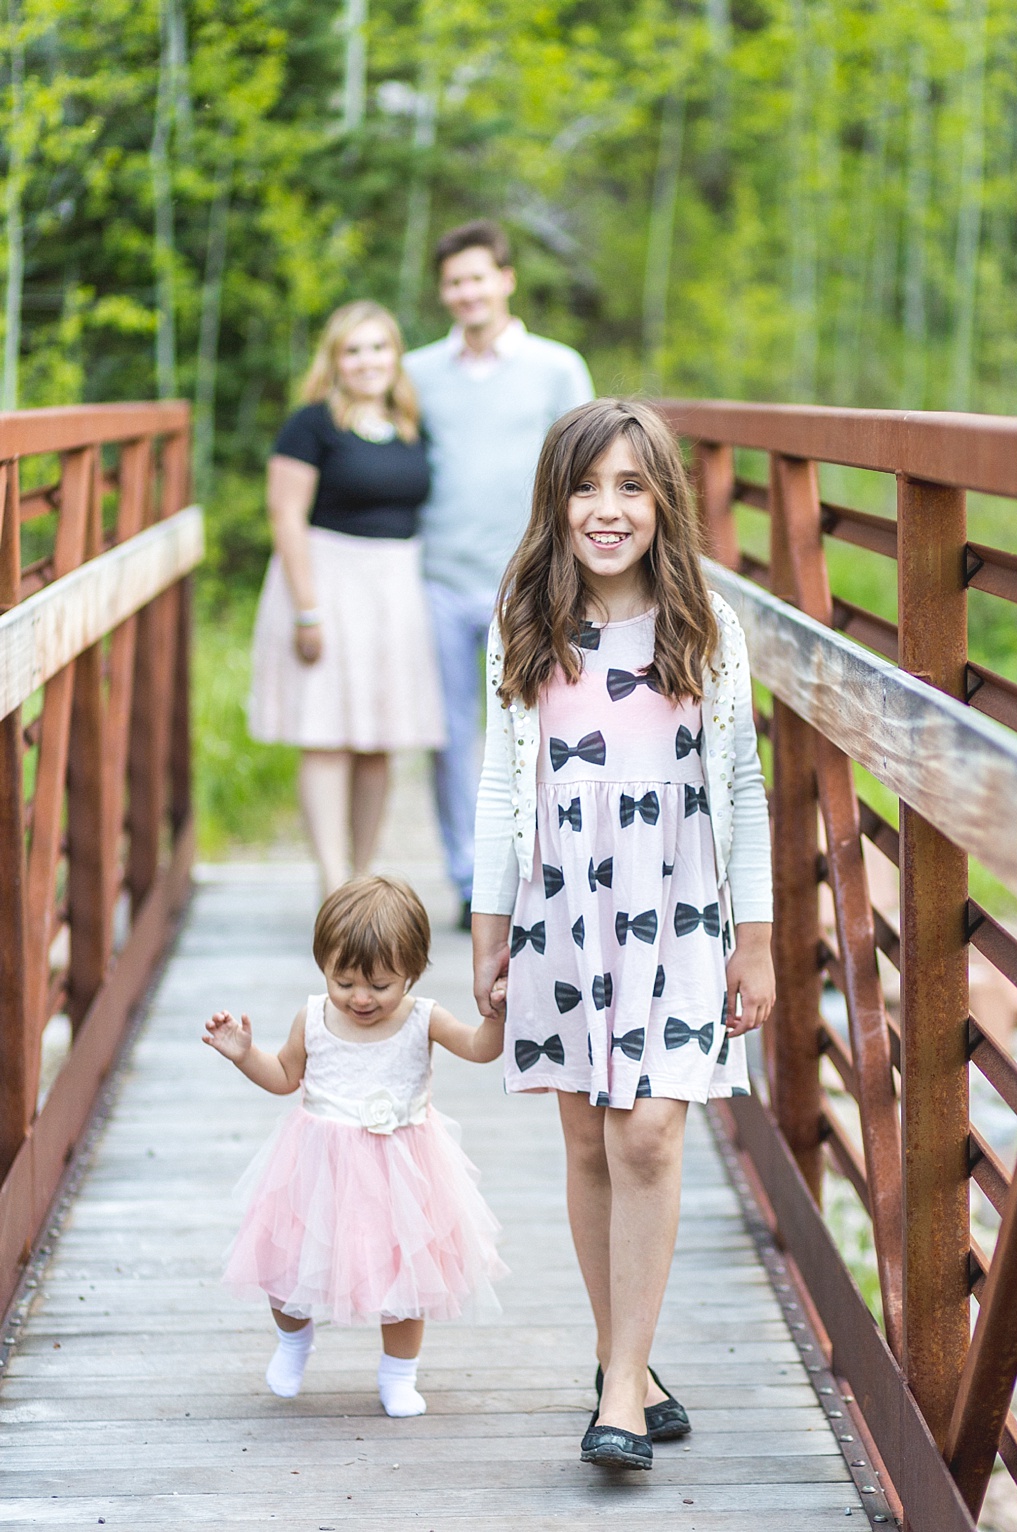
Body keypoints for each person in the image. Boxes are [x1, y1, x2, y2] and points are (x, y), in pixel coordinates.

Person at [468, 399, 774, 1469]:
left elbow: (740, 782)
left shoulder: (706, 626)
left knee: (649, 1130)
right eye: (586, 485)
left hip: (680, 897)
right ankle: (624, 1364)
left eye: (631, 486)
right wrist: (488, 918)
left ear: (662, 501)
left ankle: (624, 1403)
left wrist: (758, 935)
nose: (608, 509)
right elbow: (501, 777)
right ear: (556, 500)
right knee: (590, 1138)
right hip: (563, 903)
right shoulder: (527, 617)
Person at [205, 876, 507, 1417]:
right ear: (324, 968)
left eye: (380, 985)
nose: (360, 998)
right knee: (284, 1267)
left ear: (411, 974)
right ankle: (294, 1341)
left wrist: (498, 1016)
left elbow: (480, 1049)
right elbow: (282, 1077)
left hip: (405, 1171)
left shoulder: (424, 1017)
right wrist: (245, 1054)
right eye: (343, 982)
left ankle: (399, 1374)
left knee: (408, 1277)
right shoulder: (314, 1017)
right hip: (318, 1169)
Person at [409, 220, 595, 926]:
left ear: (506, 279)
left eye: (479, 277)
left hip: (530, 579)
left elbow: (588, 464)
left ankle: (541, 867)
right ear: (443, 292)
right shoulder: (419, 372)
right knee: (450, 735)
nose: (467, 292)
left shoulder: (556, 366)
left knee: (542, 723)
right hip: (438, 573)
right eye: (454, 281)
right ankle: (468, 880)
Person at [247, 301, 445, 896]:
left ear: (396, 357)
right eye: (354, 350)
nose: (368, 361)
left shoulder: (413, 427)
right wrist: (307, 609)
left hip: (394, 589)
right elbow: (285, 515)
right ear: (335, 359)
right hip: (327, 582)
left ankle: (362, 880)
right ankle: (332, 881)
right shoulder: (310, 425)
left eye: (379, 348)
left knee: (378, 739)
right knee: (328, 734)